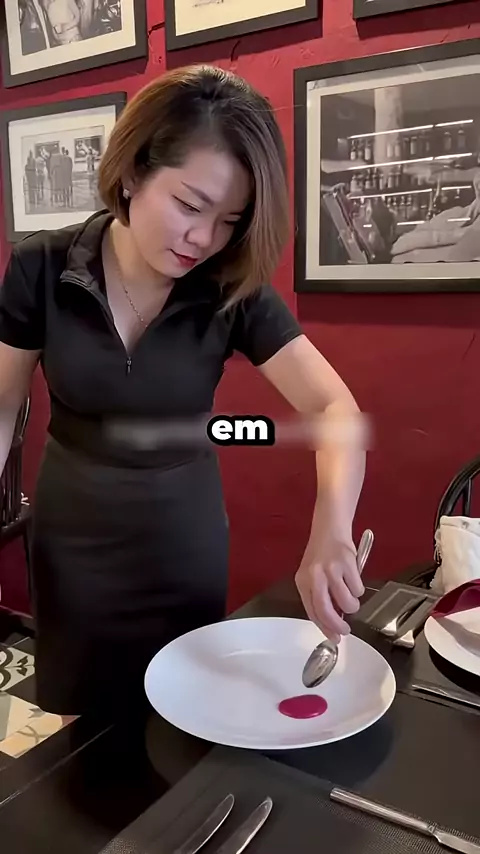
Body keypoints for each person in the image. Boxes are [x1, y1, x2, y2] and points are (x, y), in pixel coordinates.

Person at [0, 65, 367, 720]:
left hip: (181, 540)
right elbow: (2, 406)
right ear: (132, 172)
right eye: (190, 206)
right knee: (84, 737)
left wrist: (330, 532)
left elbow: (333, 409)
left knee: (184, 723)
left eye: (229, 220)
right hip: (72, 540)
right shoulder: (41, 267)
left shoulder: (229, 288)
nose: (204, 238)